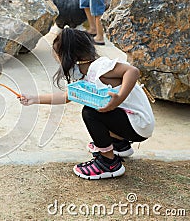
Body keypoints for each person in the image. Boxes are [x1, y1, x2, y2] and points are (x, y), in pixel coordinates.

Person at [19, 28, 155, 180]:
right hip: (137, 125)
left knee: (90, 113)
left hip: (138, 125)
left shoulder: (100, 68)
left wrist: (120, 97)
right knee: (96, 109)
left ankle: (108, 163)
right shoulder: (86, 73)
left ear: (67, 56)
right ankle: (119, 144)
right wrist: (33, 99)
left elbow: (133, 71)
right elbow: (67, 97)